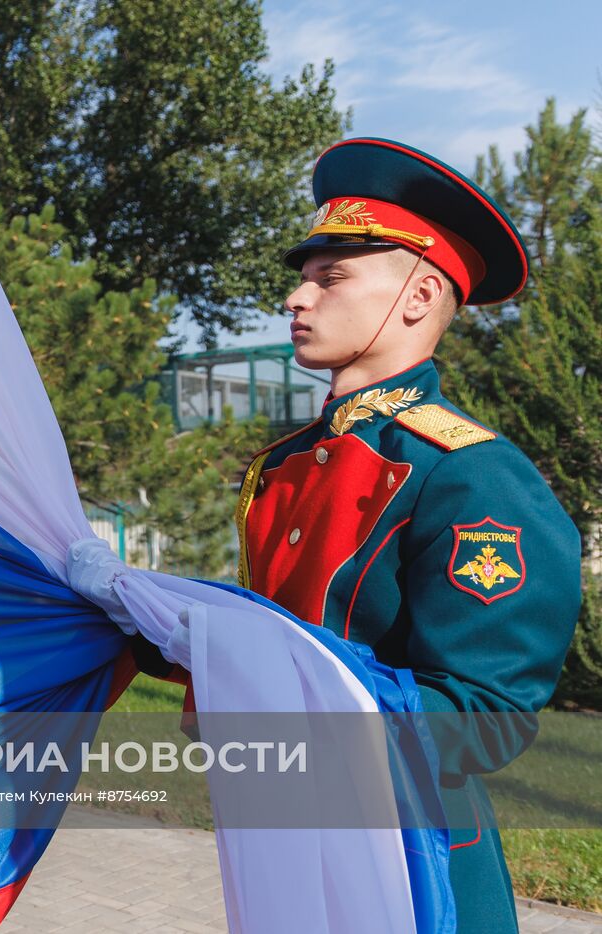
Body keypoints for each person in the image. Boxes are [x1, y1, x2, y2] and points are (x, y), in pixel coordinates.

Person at [236, 137, 582, 932]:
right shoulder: (289, 464)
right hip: (289, 841)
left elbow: (485, 710)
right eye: (303, 275)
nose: (297, 297)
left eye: (331, 277)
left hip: (412, 867)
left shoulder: (472, 475)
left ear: (419, 296)